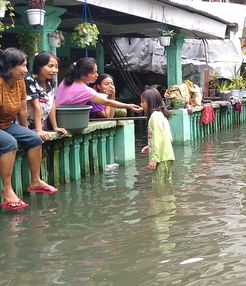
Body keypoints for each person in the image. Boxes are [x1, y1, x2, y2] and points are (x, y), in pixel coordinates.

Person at [0, 48, 58, 211]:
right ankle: (7, 189)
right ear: (9, 67)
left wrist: (25, 131)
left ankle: (35, 181)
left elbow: (23, 109)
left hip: (7, 124)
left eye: (26, 66)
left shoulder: (20, 83)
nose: (26, 70)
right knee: (9, 143)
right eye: (22, 66)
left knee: (33, 138)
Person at [55, 57, 142, 115]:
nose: (97, 75)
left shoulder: (66, 80)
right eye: (94, 72)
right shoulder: (85, 90)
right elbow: (107, 102)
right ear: (84, 75)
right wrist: (129, 106)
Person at [25, 52, 67, 141]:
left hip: (41, 127)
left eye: (56, 67)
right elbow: (36, 106)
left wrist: (55, 127)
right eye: (50, 66)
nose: (55, 70)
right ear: (39, 66)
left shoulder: (50, 83)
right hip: (26, 127)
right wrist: (39, 130)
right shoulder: (29, 80)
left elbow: (52, 105)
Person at [140, 88, 175, 180]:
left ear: (151, 102)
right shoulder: (161, 115)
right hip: (167, 157)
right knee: (166, 186)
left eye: (143, 102)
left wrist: (154, 159)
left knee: (159, 187)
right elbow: (168, 138)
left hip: (161, 159)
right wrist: (150, 146)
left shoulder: (154, 117)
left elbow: (158, 138)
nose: (141, 104)